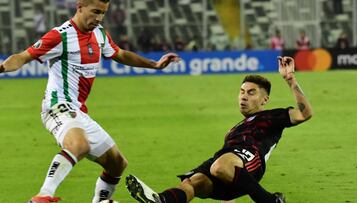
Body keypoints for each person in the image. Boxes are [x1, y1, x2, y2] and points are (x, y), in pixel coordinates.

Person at [0, 0, 180, 202]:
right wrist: (2, 67)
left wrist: (154, 64)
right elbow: (23, 57)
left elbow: (119, 53)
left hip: (78, 111)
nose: (99, 18)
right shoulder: (60, 35)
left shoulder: (99, 33)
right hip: (57, 107)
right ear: (80, 7)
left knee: (117, 163)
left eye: (103, 13)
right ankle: (42, 196)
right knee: (79, 145)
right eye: (95, 12)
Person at [125, 56, 313, 203]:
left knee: (220, 166)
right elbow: (229, 170)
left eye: (251, 92)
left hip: (249, 158)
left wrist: (290, 80)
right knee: (193, 182)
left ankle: (269, 200)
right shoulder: (233, 130)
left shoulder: (271, 117)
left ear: (264, 100)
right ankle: (163, 200)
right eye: (241, 92)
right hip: (226, 164)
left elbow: (305, 114)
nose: (244, 97)